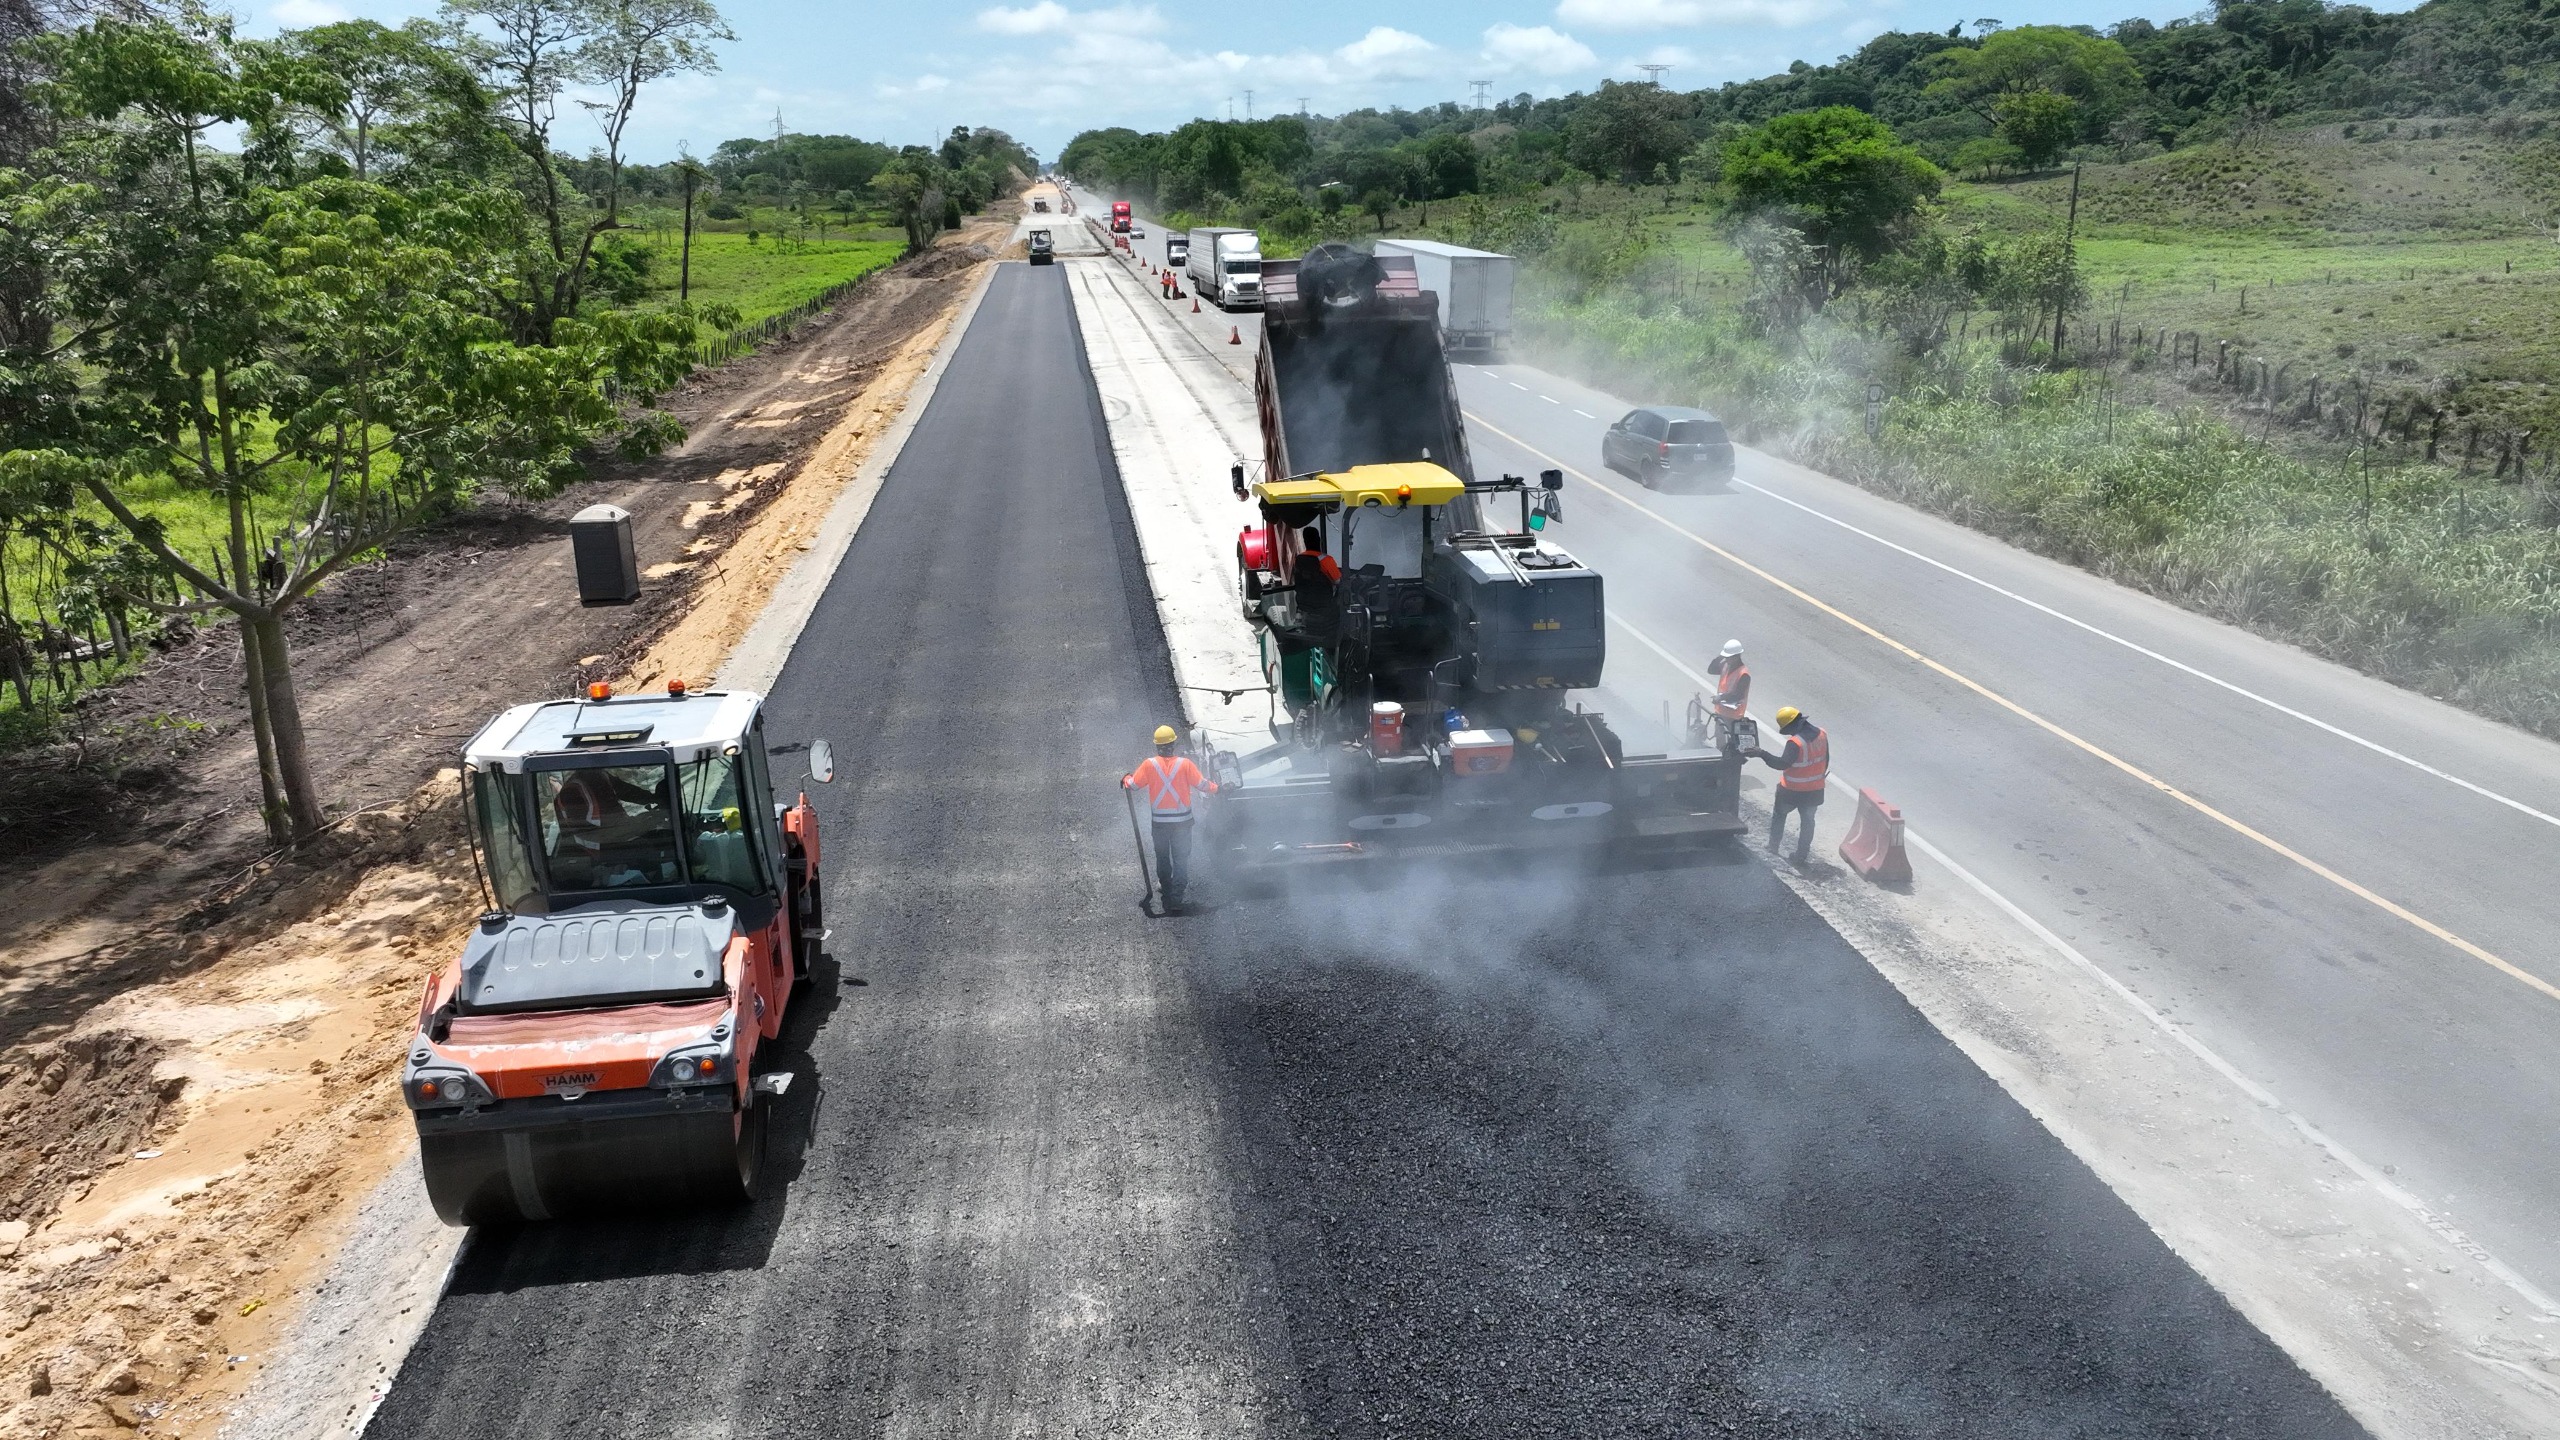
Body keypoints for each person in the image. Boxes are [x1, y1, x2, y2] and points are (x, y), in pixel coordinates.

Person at [1124, 725, 1218, 910]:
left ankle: (1166, 887)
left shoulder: (1149, 764)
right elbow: (1202, 785)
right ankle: (1177, 895)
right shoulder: (1185, 764)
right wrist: (1218, 788)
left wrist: (1126, 778)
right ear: (1173, 744)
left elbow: (1133, 785)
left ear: (1157, 746)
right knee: (1181, 857)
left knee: (1163, 857)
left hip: (1159, 824)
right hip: (1182, 823)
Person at [1748, 705, 1829, 864]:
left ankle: (1773, 846)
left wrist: (1761, 753)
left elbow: (1782, 764)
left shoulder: (1795, 743)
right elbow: (1826, 759)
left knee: (1779, 816)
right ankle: (1801, 856)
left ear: (1793, 725)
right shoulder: (1822, 734)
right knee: (1808, 822)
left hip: (1792, 792)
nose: (1789, 733)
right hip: (1815, 791)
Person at [1289, 526, 1340, 637]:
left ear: (1305, 541)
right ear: (1319, 540)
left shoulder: (1299, 559)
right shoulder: (1326, 560)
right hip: (1325, 603)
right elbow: (1338, 581)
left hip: (1305, 603)